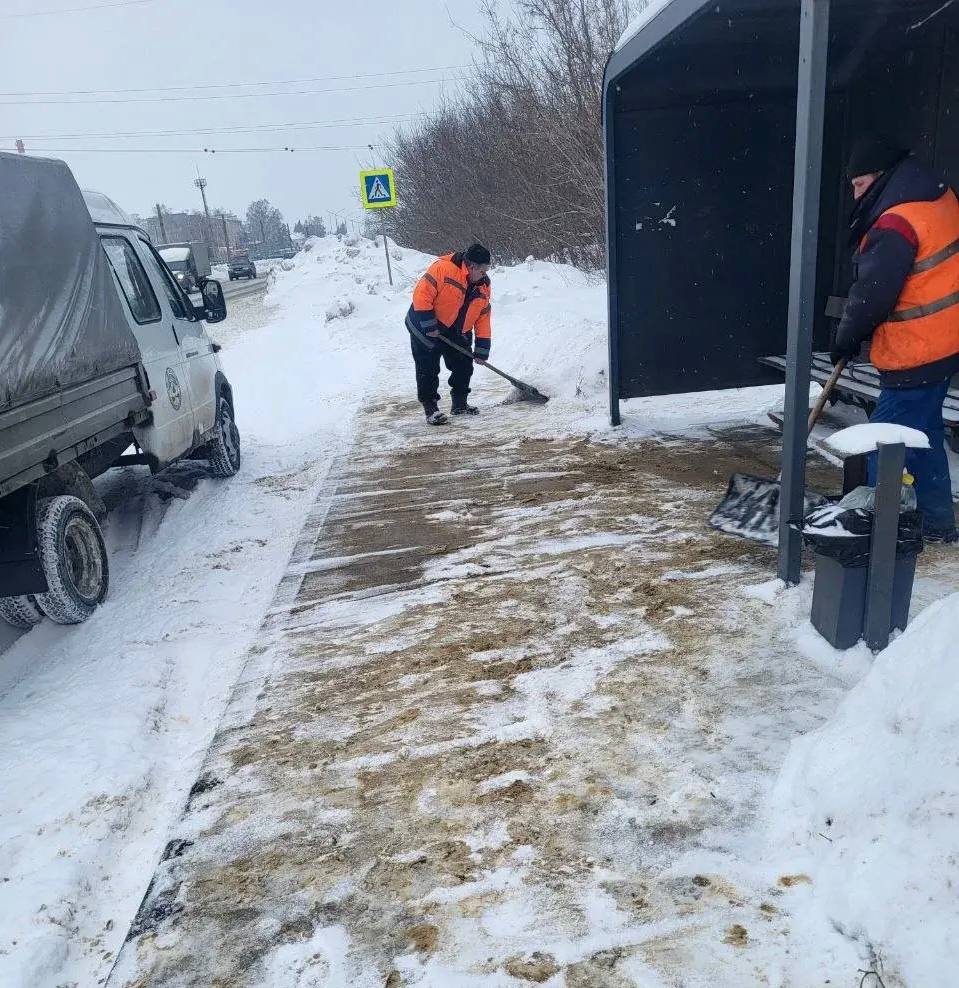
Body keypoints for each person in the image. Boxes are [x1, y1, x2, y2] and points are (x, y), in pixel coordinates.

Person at [832, 135, 959, 543]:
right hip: (944, 342)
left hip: (918, 348)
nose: (855, 193)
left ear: (883, 177)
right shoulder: (935, 199)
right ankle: (939, 523)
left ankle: (877, 534)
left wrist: (846, 338)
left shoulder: (897, 222)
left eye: (860, 183)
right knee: (924, 436)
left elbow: (871, 294)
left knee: (883, 441)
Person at [405, 243, 492, 425]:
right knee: (427, 369)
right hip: (424, 325)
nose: (485, 274)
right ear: (472, 266)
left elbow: (483, 316)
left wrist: (482, 350)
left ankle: (460, 405)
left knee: (463, 365)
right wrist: (429, 325)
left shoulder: (483, 286)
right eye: (483, 270)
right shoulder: (444, 269)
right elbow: (421, 294)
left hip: (456, 330)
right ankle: (431, 409)